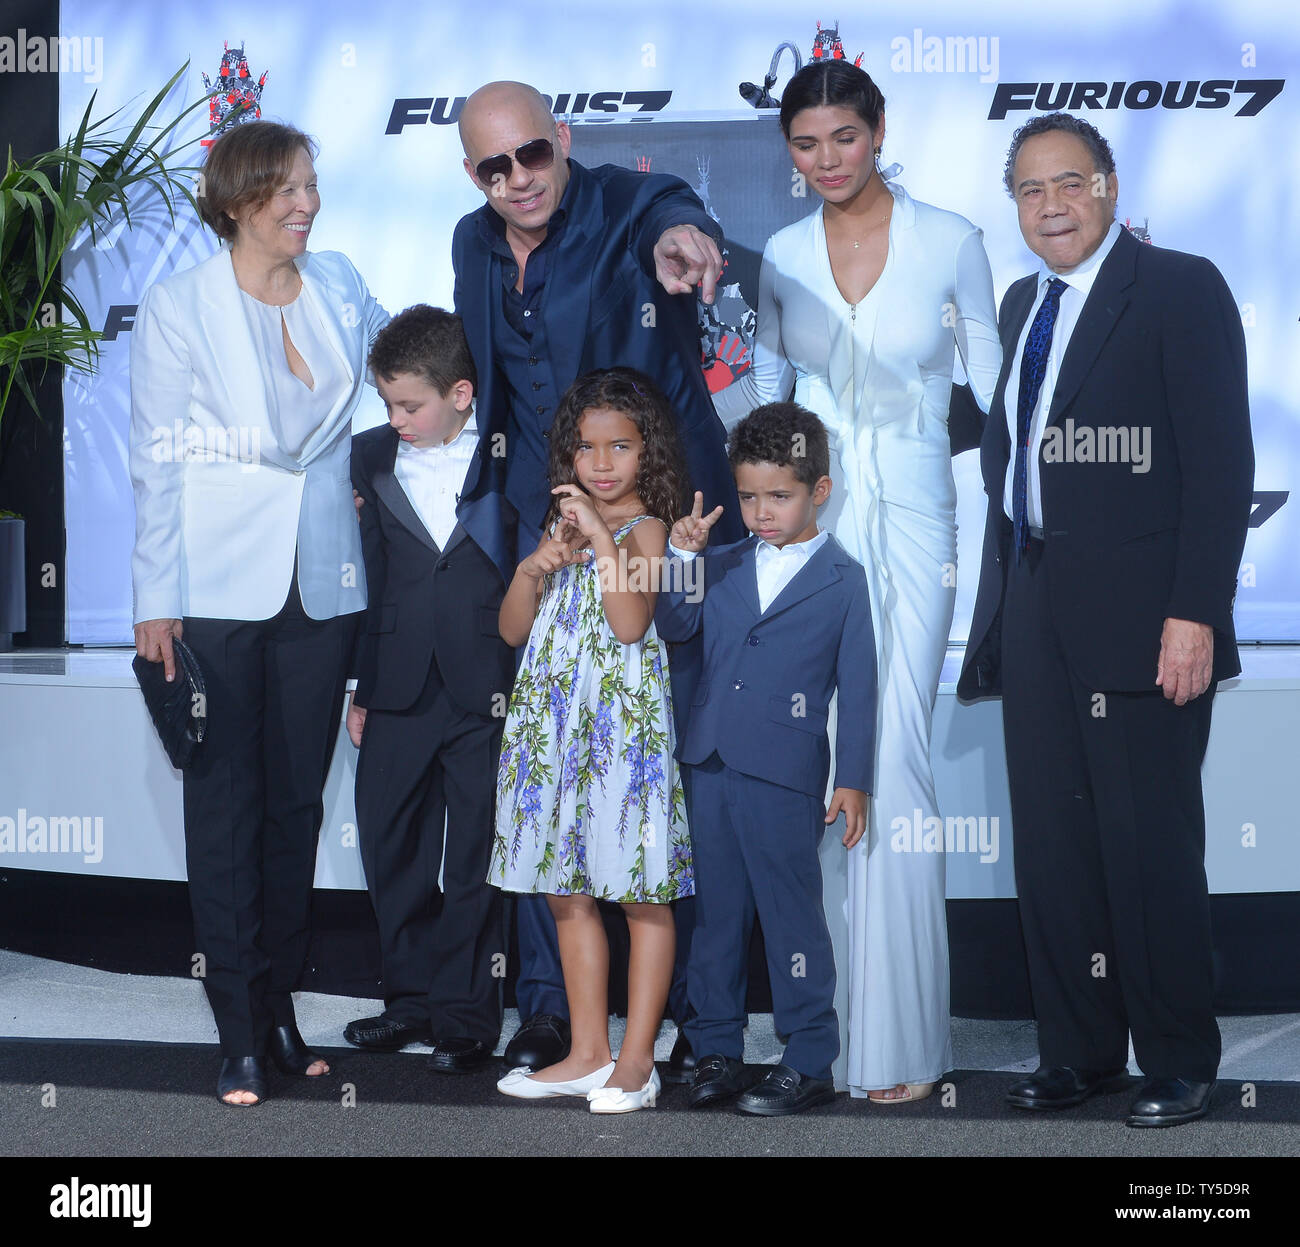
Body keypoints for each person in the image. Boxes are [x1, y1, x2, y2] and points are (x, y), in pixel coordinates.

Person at [713, 60, 1002, 1101]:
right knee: (820, 756)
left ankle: (903, 1045)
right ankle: (823, 1037)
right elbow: (766, 397)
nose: (825, 159)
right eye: (805, 144)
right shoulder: (782, 255)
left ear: (877, 132)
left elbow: (995, 393)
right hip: (813, 532)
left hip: (918, 522)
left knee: (894, 754)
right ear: (787, 152)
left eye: (842, 137)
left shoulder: (953, 241)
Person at [958, 113, 1254, 1128]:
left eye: (1070, 183)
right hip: (1033, 600)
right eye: (1031, 190)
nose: (1052, 206)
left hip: (1145, 613)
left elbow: (1221, 468)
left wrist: (1193, 613)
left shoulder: (1178, 288)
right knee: (1052, 843)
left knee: (1148, 844)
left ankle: (1175, 1056)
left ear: (1110, 188)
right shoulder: (1017, 302)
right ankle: (1077, 1049)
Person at [453, 80, 742, 1075]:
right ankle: (560, 1019)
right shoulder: (470, 242)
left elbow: (670, 210)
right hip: (545, 538)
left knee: (668, 782)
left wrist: (685, 238)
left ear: (562, 140)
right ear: (472, 174)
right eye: (494, 166)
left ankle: (700, 1026)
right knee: (549, 781)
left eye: (532, 154)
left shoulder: (624, 203)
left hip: (657, 526)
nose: (518, 179)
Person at [129, 121, 389, 1106]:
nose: (305, 203)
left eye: (311, 186)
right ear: (237, 201)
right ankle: (237, 1027)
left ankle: (279, 1008)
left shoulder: (343, 285)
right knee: (225, 805)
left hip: (323, 582)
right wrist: (156, 598)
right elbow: (155, 460)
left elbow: (400, 372)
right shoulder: (177, 305)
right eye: (283, 189)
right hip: (217, 590)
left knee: (293, 806)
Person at [655, 402, 877, 1116]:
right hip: (710, 764)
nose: (760, 511)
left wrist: (854, 779)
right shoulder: (717, 565)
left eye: (778, 495)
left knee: (791, 916)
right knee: (716, 916)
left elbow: (862, 687)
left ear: (819, 490)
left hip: (785, 775)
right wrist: (683, 556)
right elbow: (674, 624)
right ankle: (716, 1047)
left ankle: (809, 1055)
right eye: (747, 496)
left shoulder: (845, 579)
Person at [490, 368, 692, 1113]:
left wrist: (600, 537)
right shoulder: (560, 528)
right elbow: (512, 628)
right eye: (585, 448)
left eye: (620, 447)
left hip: (622, 732)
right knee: (564, 889)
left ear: (650, 453)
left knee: (640, 891)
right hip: (554, 725)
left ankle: (637, 1059)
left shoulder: (646, 528)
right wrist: (533, 566)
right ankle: (586, 1049)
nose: (601, 463)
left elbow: (631, 620)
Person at [342, 306, 517, 1071]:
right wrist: (359, 684)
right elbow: (362, 578)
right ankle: (407, 1000)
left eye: (409, 404)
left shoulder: (508, 458)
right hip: (395, 679)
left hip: (487, 684)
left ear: (462, 393)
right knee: (393, 843)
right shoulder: (366, 459)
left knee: (475, 853)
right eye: (386, 404)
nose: (396, 419)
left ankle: (466, 1015)